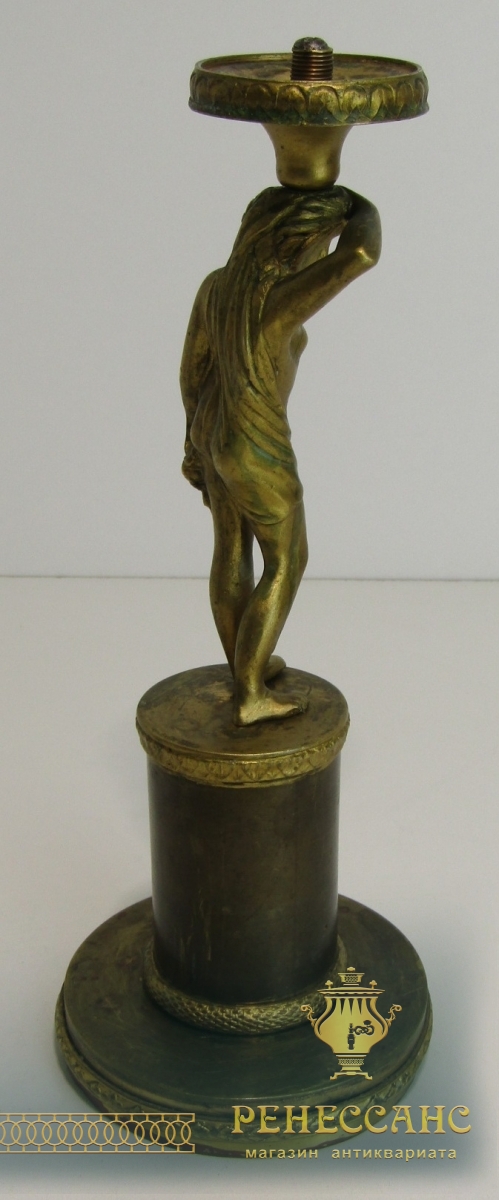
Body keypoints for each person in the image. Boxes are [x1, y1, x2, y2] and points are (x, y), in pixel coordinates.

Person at [180, 183, 381, 725]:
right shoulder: (279, 300)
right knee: (287, 560)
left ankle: (245, 663)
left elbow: (191, 373)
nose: (323, 257)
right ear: (299, 246)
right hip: (255, 443)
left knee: (230, 549)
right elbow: (363, 253)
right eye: (320, 246)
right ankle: (251, 694)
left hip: (212, 427)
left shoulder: (217, 288)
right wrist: (356, 206)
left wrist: (193, 440)